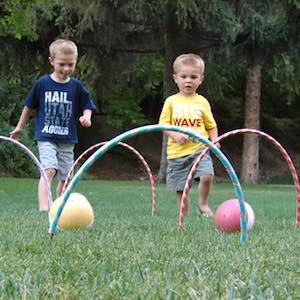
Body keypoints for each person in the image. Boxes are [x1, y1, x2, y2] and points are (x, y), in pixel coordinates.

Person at [10, 39, 95, 211]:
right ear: (51, 61)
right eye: (62, 64)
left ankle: (60, 208)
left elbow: (87, 104)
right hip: (46, 136)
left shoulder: (76, 86)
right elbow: (29, 106)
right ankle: (44, 208)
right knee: (49, 169)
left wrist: (87, 117)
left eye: (71, 64)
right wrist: (19, 127)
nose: (66, 69)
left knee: (66, 177)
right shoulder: (43, 83)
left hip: (67, 138)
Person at [159, 53, 220, 217]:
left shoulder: (202, 102)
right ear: (175, 78)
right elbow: (163, 125)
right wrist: (175, 135)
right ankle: (183, 214)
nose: (188, 80)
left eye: (193, 77)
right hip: (176, 153)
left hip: (199, 149)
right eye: (184, 76)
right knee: (181, 189)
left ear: (201, 79)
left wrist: (214, 141)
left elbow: (211, 126)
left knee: (207, 175)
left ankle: (203, 204)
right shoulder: (171, 101)